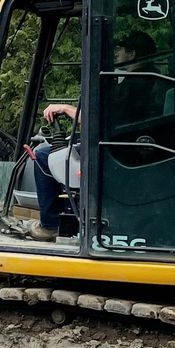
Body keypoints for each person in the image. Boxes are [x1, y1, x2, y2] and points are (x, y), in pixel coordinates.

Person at [28, 29, 154, 241]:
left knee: (43, 157)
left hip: (117, 149)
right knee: (64, 150)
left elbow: (99, 121)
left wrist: (67, 109)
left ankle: (51, 225)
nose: (116, 54)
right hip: (126, 144)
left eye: (121, 50)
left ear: (132, 54)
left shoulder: (135, 85)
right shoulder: (146, 80)